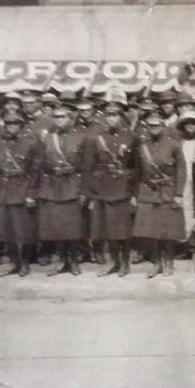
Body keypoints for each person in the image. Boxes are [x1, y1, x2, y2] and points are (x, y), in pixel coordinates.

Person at [84, 98, 137, 277]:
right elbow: (91, 166)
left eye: (115, 115)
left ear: (121, 117)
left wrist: (134, 193)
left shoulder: (131, 137)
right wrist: (92, 193)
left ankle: (125, 263)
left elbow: (137, 166)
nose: (111, 119)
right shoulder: (97, 138)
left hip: (124, 188)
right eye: (108, 115)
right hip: (104, 188)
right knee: (108, 230)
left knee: (123, 230)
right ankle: (115, 262)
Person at [132, 113, 188, 278]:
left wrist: (178, 194)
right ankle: (156, 263)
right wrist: (135, 194)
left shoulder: (174, 145)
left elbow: (181, 170)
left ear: (163, 127)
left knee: (169, 232)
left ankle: (169, 262)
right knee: (149, 231)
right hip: (148, 192)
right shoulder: (142, 146)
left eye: (157, 126)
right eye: (150, 126)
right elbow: (137, 172)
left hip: (168, 192)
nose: (153, 129)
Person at [36, 106, 88, 275]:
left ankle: (73, 260)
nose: (59, 120)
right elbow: (40, 162)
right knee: (56, 227)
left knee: (72, 227)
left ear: (70, 119)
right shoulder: (47, 138)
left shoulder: (80, 138)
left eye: (63, 117)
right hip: (52, 186)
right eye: (56, 117)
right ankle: (62, 260)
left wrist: (84, 190)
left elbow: (87, 165)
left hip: (72, 185)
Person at [0, 112, 39, 277]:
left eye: (15, 124)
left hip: (21, 189)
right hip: (3, 191)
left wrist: (31, 193)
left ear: (21, 126)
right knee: (6, 230)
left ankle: (25, 263)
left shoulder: (30, 144)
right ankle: (14, 263)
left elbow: (35, 172)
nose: (11, 128)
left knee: (23, 231)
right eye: (8, 124)